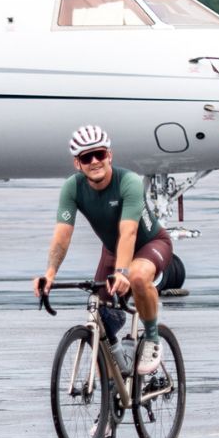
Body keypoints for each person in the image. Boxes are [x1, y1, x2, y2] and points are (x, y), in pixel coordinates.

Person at [32, 125, 175, 374]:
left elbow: (129, 231)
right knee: (99, 318)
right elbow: (62, 235)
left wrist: (122, 271)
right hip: (113, 250)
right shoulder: (72, 187)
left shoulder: (128, 182)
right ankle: (112, 391)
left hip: (150, 244)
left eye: (99, 154)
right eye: (87, 157)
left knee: (138, 276)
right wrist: (50, 273)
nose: (95, 161)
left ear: (110, 155)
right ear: (78, 163)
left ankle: (152, 338)